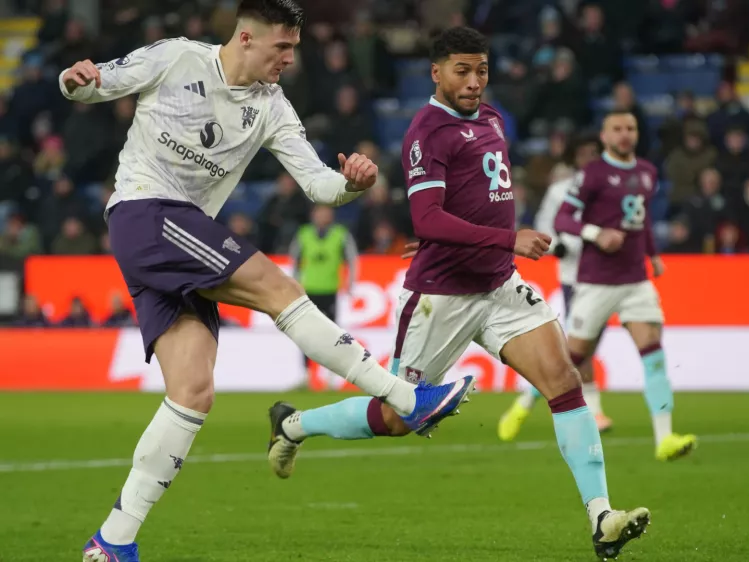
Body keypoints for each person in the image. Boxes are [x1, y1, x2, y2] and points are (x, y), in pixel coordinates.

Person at [66, 2, 475, 561]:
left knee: (192, 393)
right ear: (246, 37)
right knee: (278, 288)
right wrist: (75, 80)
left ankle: (112, 540)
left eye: (293, 49)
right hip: (146, 211)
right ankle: (405, 397)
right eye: (281, 47)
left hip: (180, 235)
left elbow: (319, 186)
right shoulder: (178, 57)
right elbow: (96, 84)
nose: (289, 58)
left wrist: (353, 184)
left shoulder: (272, 108)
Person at [266, 27, 650, 560]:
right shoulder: (426, 133)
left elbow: (466, 203)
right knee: (396, 418)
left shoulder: (492, 119)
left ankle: (601, 516)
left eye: (482, 71)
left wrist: (472, 242)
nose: (474, 82)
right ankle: (293, 424)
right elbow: (426, 215)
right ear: (436, 73)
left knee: (564, 382)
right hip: (440, 297)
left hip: (499, 286)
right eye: (462, 71)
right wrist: (502, 240)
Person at [555, 109, 696, 462]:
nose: (624, 134)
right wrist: (596, 233)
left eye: (630, 128)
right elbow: (563, 218)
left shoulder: (647, 173)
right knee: (571, 359)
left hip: (636, 280)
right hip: (596, 282)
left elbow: (642, 221)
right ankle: (525, 403)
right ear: (604, 136)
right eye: (617, 129)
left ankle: (665, 438)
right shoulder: (592, 173)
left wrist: (653, 254)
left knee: (654, 355)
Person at [497, 132, 616, 440]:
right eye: (584, 153)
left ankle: (525, 402)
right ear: (574, 158)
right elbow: (546, 224)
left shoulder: (610, 188)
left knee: (581, 347)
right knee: (580, 346)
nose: (590, 158)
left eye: (594, 152)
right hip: (575, 276)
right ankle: (595, 411)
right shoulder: (561, 190)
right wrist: (558, 245)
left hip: (607, 276)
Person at [288, 204, 358, 322]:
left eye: (326, 214)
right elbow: (294, 259)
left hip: (331, 289)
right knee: (309, 325)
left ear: (332, 216)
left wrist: (350, 282)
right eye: (320, 213)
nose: (322, 217)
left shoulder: (340, 234)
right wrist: (295, 282)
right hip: (308, 288)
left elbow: (352, 259)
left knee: (331, 325)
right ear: (313, 215)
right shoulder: (304, 234)